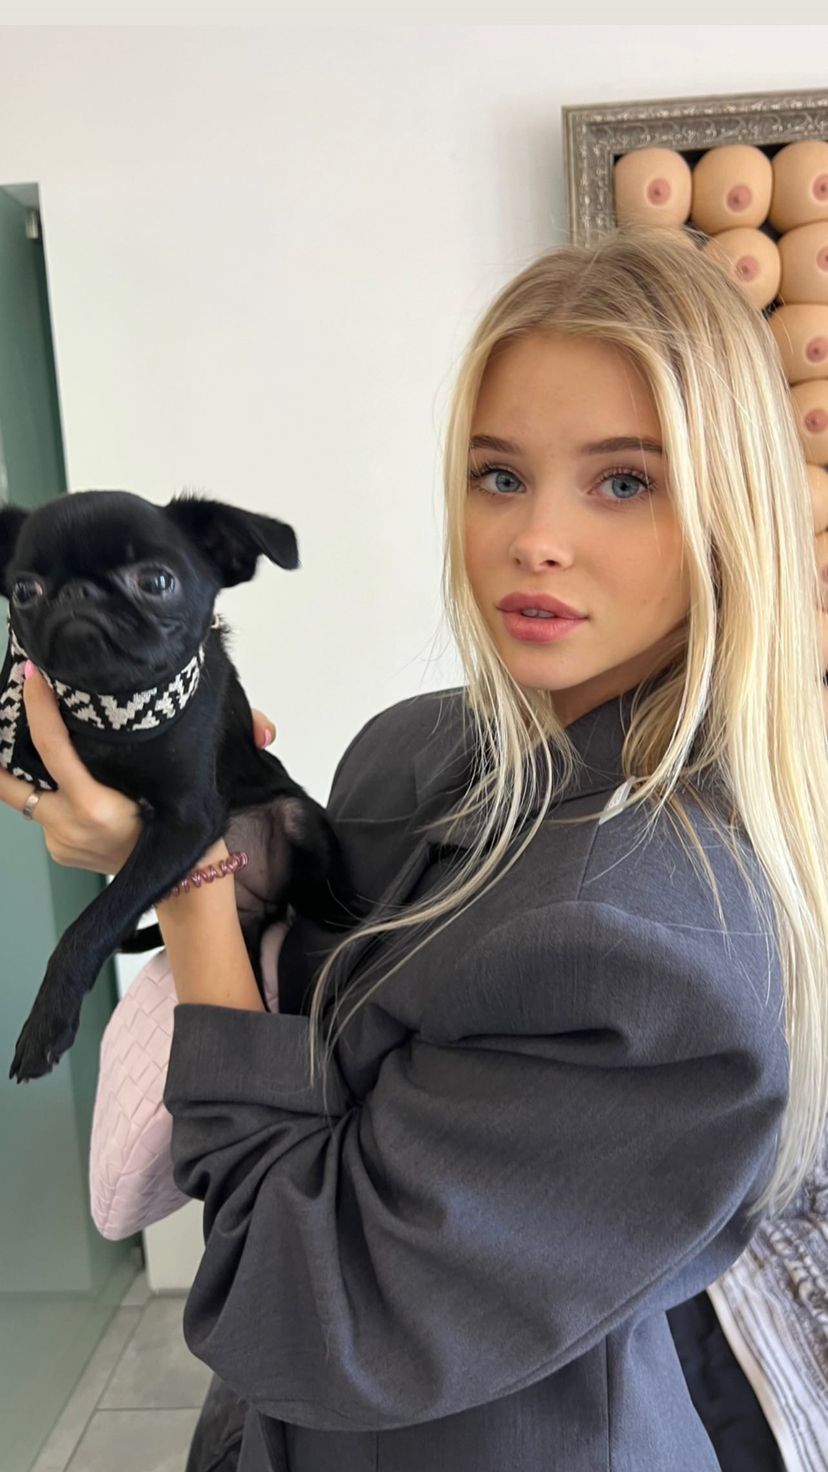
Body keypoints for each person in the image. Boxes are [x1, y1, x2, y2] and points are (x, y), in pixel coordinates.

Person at [3, 223, 827, 1472]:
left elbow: (297, 1295)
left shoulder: (649, 947)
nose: (535, 536)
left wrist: (187, 873)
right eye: (499, 473)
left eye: (623, 481)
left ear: (730, 510)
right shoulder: (412, 749)